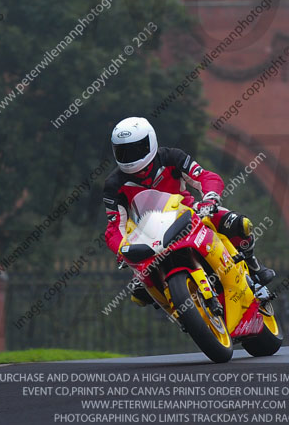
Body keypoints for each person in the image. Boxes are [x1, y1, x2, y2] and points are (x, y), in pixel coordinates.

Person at [103, 116, 275, 305]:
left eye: (137, 149)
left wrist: (209, 198)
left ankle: (254, 269)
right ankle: (177, 305)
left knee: (238, 224)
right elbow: (115, 226)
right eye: (123, 152)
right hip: (147, 236)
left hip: (189, 214)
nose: (131, 157)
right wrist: (122, 250)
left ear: (150, 142)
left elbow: (205, 177)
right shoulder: (113, 185)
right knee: (139, 293)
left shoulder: (171, 157)